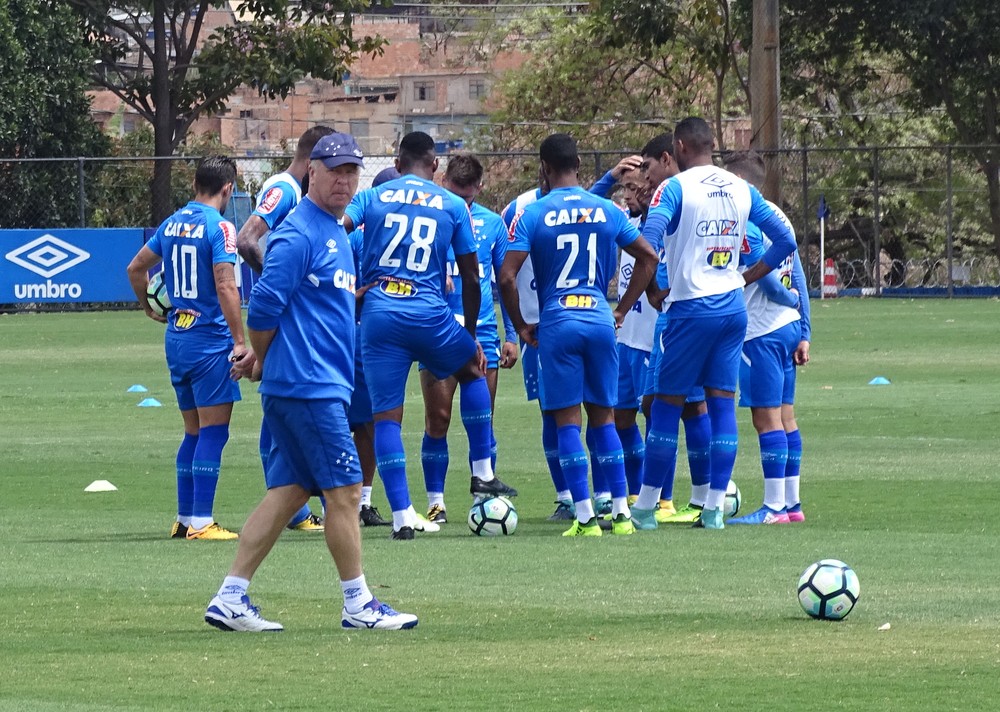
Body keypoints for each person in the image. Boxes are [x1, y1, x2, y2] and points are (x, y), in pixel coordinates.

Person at [204, 133, 417, 632]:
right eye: (334, 170)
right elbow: (264, 310)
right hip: (308, 387)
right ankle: (358, 604)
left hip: (310, 384)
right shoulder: (299, 233)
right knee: (346, 491)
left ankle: (230, 597)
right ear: (311, 172)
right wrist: (263, 356)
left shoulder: (333, 231)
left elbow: (304, 311)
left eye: (351, 172)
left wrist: (265, 360)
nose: (344, 180)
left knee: (290, 491)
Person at [342, 131, 515, 540]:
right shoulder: (453, 204)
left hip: (380, 313)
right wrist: (470, 336)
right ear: (435, 166)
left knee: (386, 417)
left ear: (397, 164)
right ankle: (482, 472)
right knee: (472, 369)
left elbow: (335, 230)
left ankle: (402, 517)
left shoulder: (370, 198)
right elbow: (471, 276)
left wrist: (347, 290)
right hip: (428, 310)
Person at [631, 117, 797, 531]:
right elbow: (786, 241)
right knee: (722, 405)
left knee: (666, 405)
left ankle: (646, 508)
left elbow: (647, 243)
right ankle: (713, 509)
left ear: (680, 147)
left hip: (690, 308)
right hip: (732, 308)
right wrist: (746, 277)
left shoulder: (675, 188)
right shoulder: (741, 188)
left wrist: (650, 290)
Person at [499, 133, 658, 537]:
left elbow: (507, 276)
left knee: (567, 422)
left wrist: (520, 324)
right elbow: (649, 257)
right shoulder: (608, 209)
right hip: (600, 318)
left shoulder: (533, 213)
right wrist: (621, 308)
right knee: (604, 419)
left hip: (558, 321)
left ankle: (585, 517)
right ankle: (620, 514)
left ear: (544, 168)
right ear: (579, 165)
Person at [125, 155, 245, 541]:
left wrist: (148, 308)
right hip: (209, 340)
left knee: (193, 431)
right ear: (227, 189)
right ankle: (202, 522)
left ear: (195, 184)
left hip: (177, 337)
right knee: (214, 432)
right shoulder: (220, 227)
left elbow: (135, 268)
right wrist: (240, 340)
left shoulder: (172, 222)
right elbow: (226, 284)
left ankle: (184, 518)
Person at [236, 125, 335, 532]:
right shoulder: (285, 189)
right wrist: (282, 283)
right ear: (312, 164)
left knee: (280, 406)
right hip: (281, 313)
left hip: (286, 315)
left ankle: (298, 508)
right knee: (284, 404)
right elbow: (246, 240)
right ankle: (298, 508)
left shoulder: (296, 195)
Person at [419, 153, 519, 524]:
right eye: (454, 193)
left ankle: (483, 498)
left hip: (483, 333)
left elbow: (504, 281)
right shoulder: (430, 216)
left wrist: (512, 335)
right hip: (437, 329)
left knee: (482, 420)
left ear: (479, 187)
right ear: (443, 181)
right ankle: (436, 503)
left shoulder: (493, 224)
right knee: (438, 419)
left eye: (467, 195)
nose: (461, 201)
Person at [724, 151, 812, 525]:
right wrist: (804, 328)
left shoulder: (747, 220)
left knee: (766, 420)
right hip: (788, 328)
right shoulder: (778, 214)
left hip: (762, 331)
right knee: (787, 417)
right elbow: (800, 275)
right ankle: (792, 505)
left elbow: (770, 280)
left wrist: (787, 299)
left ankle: (773, 507)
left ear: (741, 183)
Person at [635, 132, 714, 525]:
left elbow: (647, 248)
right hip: (687, 309)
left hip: (682, 311)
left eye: (648, 167)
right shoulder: (688, 194)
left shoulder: (677, 192)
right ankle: (694, 500)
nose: (645, 177)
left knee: (677, 404)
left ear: (668, 157)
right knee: (665, 403)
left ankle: (675, 502)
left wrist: (641, 295)